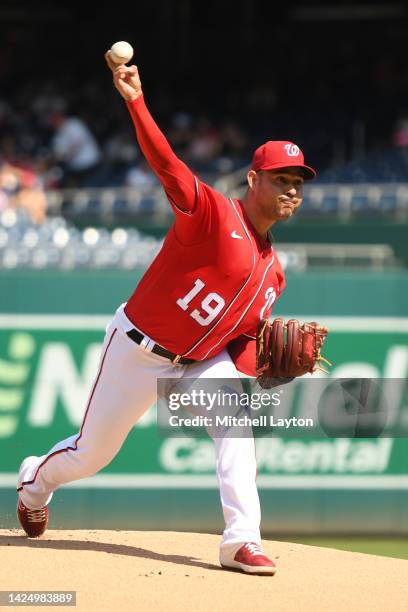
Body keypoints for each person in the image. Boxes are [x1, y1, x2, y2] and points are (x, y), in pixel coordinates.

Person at [16, 50, 316, 576]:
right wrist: (136, 100)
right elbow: (167, 165)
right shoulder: (211, 214)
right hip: (137, 349)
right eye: (280, 177)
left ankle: (241, 541)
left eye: (297, 181)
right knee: (92, 455)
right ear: (253, 179)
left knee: (236, 423)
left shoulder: (275, 273)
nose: (291, 188)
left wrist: (264, 372)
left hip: (195, 364)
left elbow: (240, 344)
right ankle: (34, 481)